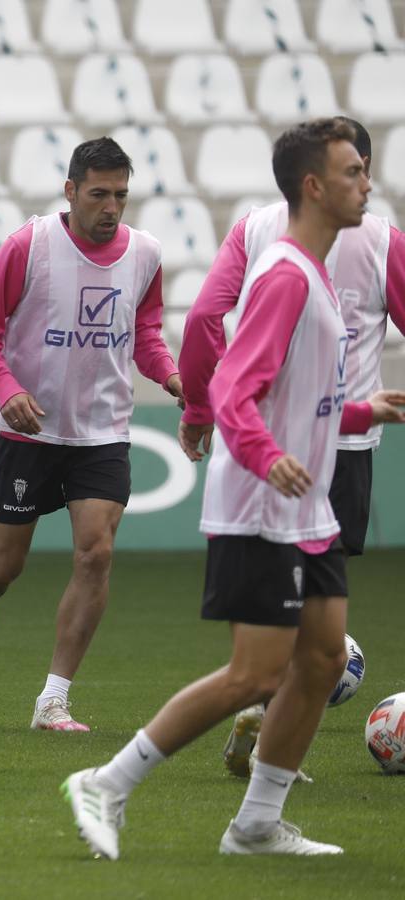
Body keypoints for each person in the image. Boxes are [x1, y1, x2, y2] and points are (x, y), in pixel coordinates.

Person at [63, 118, 405, 860]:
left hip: (304, 507)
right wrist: (267, 454)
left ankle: (256, 824)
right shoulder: (284, 274)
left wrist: (359, 410)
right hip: (261, 503)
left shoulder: (312, 272)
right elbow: (232, 391)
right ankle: (107, 781)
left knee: (319, 661)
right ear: (313, 186)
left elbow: (299, 391)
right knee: (257, 672)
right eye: (352, 172)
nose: (366, 184)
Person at [177, 119, 405, 777]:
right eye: (356, 171)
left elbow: (201, 321)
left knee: (307, 628)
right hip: (337, 447)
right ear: (328, 176)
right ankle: (260, 720)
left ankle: (268, 741)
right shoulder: (382, 241)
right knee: (303, 636)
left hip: (276, 443)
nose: (364, 183)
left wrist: (197, 407)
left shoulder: (254, 230)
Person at [0, 137, 182, 731]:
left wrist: (173, 376)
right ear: (71, 191)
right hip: (29, 432)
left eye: (122, 196)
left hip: (103, 431)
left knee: (96, 553)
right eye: (100, 194)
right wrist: (7, 391)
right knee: (1, 569)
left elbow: (146, 334)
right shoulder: (30, 245)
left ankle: (52, 698)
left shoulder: (147, 255)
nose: (111, 207)